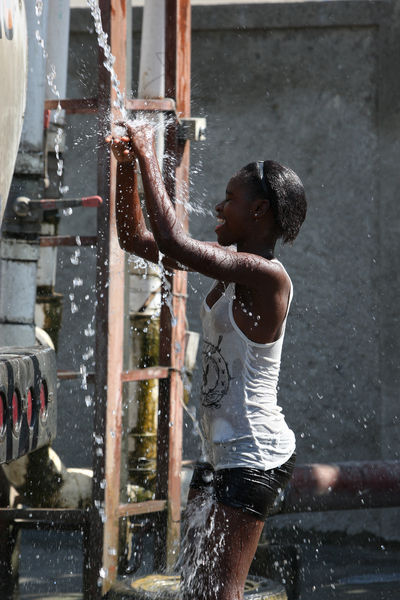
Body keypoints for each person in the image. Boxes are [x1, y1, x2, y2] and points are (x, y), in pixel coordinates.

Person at [107, 121, 306, 600]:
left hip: (255, 454)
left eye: (229, 198)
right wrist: (128, 166)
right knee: (194, 587)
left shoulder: (266, 278)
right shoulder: (227, 261)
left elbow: (174, 241)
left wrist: (149, 151)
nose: (218, 206)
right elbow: (135, 238)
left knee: (219, 594)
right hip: (222, 454)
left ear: (258, 211)